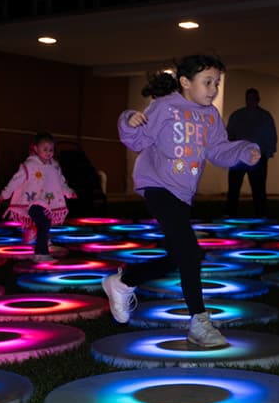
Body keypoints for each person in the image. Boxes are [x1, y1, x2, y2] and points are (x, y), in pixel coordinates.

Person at [103, 55, 260, 347]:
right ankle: (199, 321)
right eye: (207, 82)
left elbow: (217, 150)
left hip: (182, 193)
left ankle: (124, 282)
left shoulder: (211, 114)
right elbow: (136, 141)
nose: (213, 89)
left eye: (217, 82)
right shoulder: (164, 107)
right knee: (189, 252)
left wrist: (243, 151)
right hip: (157, 186)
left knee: (183, 255)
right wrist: (129, 120)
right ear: (186, 82)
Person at [0, 132, 76, 262]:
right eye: (45, 149)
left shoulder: (54, 166)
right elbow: (15, 181)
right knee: (43, 222)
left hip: (48, 202)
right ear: (36, 149)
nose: (49, 152)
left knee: (45, 222)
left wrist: (69, 192)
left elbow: (60, 182)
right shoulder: (29, 166)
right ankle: (40, 253)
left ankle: (37, 238)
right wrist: (4, 194)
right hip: (32, 202)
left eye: (51, 149)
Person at [224, 88, 277, 217]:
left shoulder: (262, 116)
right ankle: (236, 212)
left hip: (254, 155)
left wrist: (268, 152)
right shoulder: (240, 115)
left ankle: (258, 213)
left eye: (253, 98)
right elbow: (229, 134)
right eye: (250, 98)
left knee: (257, 188)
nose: (251, 101)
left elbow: (271, 135)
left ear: (257, 99)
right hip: (240, 155)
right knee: (236, 187)